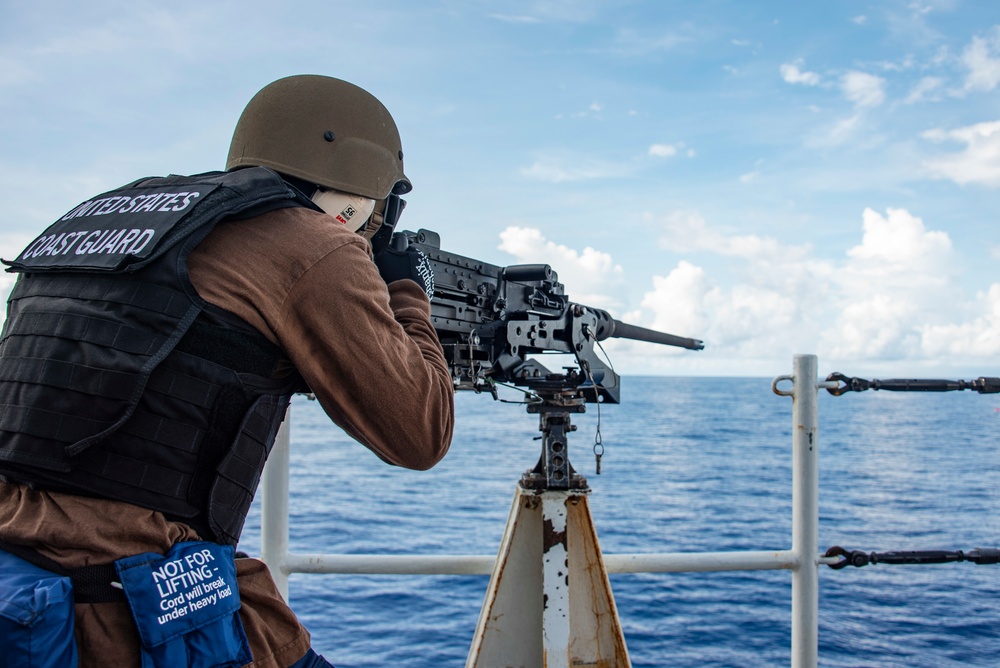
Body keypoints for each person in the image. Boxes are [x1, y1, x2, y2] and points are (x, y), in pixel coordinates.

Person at [0, 74, 455, 667]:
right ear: (361, 183)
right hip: (126, 592)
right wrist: (410, 293)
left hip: (18, 570)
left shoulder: (100, 218)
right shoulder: (314, 241)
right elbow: (419, 434)